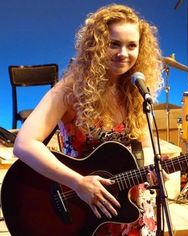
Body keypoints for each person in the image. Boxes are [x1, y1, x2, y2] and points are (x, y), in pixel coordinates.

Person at [13, 3, 163, 235]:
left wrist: (154, 168)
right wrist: (78, 182)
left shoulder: (136, 91)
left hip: (129, 206)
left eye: (131, 45)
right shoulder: (70, 90)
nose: (123, 53)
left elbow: (144, 146)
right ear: (97, 45)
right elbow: (24, 144)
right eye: (114, 44)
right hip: (79, 206)